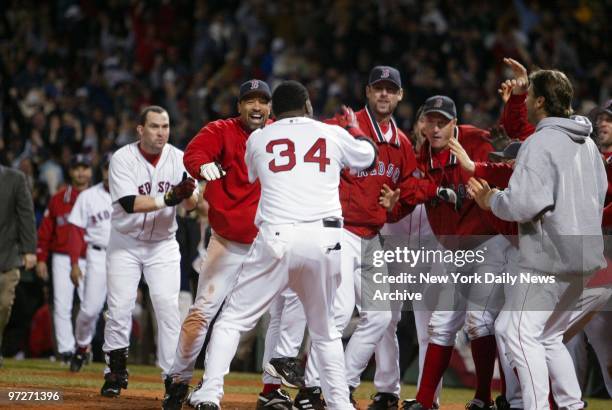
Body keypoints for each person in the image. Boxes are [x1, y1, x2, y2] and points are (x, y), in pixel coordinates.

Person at [187, 80, 377, 410]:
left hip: (277, 237)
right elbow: (368, 158)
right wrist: (356, 128)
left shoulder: (260, 137)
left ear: (273, 110)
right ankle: (339, 404)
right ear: (308, 107)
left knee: (232, 320)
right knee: (326, 332)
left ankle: (208, 393)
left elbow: (249, 176)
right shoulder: (330, 133)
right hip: (326, 239)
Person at [467, 69, 607, 410]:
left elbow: (523, 204)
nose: (526, 101)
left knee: (516, 332)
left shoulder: (540, 142)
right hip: (584, 260)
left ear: (541, 101)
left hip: (549, 260)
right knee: (548, 336)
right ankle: (572, 406)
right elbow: (601, 192)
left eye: (529, 96)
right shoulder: (588, 144)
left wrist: (492, 200)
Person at [296, 65, 417, 410]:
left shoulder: (403, 144)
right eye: (377, 88)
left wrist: (400, 204)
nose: (383, 94)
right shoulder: (345, 126)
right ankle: (311, 388)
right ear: (367, 92)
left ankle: (341, 383)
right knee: (337, 313)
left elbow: (410, 187)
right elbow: (308, 142)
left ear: (399, 96)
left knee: (379, 316)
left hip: (372, 237)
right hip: (340, 231)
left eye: (390, 89)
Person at [162, 79, 276, 409]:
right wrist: (202, 166)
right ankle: (179, 378)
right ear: (238, 105)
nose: (257, 106)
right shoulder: (221, 130)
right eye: (250, 100)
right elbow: (194, 154)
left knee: (248, 322)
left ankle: (259, 388)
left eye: (263, 101)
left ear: (270, 107)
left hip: (265, 247)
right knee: (202, 314)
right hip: (227, 243)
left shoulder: (277, 135)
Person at [396, 95, 505, 410]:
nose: (436, 127)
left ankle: (484, 397)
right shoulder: (421, 155)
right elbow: (409, 191)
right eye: (430, 120)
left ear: (455, 123)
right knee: (441, 324)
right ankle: (424, 400)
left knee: (480, 320)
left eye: (442, 121)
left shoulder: (476, 139)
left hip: (488, 242)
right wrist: (434, 192)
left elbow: (505, 158)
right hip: (452, 247)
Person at [101, 105, 198, 398]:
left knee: (167, 309)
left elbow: (193, 204)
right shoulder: (122, 158)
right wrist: (169, 197)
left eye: (165, 126)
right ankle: (115, 373)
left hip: (163, 245)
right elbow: (130, 203)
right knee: (119, 310)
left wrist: (190, 194)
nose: (161, 133)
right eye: (155, 126)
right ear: (140, 130)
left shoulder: (179, 158)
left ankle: (172, 377)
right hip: (125, 244)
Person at [36, 154, 92, 363]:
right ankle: (67, 351)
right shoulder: (58, 199)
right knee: (62, 305)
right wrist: (41, 257)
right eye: (77, 167)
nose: (81, 172)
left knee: (90, 306)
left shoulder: (100, 197)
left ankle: (83, 348)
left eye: (84, 167)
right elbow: (45, 231)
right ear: (70, 171)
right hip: (61, 256)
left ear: (89, 171)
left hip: (91, 257)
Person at [66, 155, 113, 372]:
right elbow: (75, 231)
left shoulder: (133, 195)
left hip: (124, 257)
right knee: (90, 309)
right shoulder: (88, 196)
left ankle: (115, 364)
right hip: (97, 256)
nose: (109, 172)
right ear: (101, 171)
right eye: (106, 167)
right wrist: (75, 263)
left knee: (119, 311)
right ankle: (82, 345)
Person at [0, 164, 37, 367]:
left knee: (4, 305)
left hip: (6, 255)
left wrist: (29, 249)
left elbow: (26, 214)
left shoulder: (15, 178)